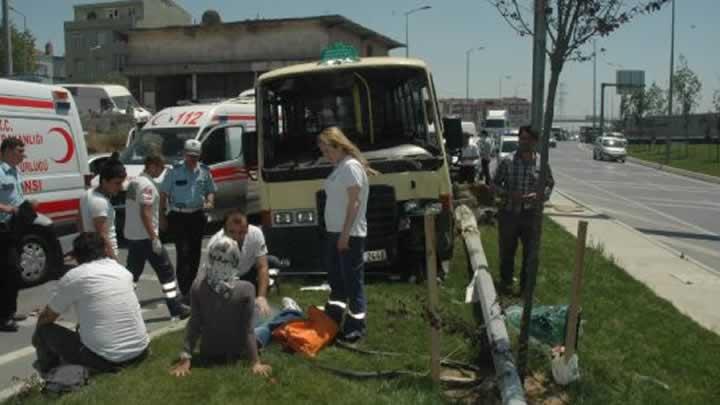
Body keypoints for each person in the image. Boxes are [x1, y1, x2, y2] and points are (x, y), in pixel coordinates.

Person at [32, 233, 149, 375]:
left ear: (76, 257)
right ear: (105, 250)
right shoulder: (122, 271)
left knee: (44, 330)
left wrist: (37, 338)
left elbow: (47, 317)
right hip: (141, 351)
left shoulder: (74, 277)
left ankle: (50, 372)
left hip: (107, 359)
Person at [169, 233, 271, 378]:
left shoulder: (199, 285)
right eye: (217, 259)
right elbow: (247, 330)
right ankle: (289, 312)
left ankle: (284, 313)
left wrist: (186, 357)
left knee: (262, 318)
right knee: (268, 323)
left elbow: (195, 324)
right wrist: (255, 362)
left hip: (219, 350)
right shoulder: (245, 288)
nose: (219, 264)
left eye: (223, 260)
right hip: (237, 349)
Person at [317, 126, 374, 343]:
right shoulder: (340, 167)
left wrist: (345, 234)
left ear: (338, 146)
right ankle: (333, 317)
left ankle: (356, 326)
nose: (325, 155)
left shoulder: (350, 167)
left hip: (348, 234)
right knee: (337, 279)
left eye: (327, 150)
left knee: (352, 281)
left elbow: (355, 202)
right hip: (335, 232)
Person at [124, 154, 190, 319]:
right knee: (166, 273)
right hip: (146, 238)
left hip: (133, 237)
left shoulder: (134, 182)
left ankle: (123, 305)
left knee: (132, 275)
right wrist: (154, 238)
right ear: (152, 166)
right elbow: (145, 213)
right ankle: (176, 307)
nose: (161, 172)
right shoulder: (147, 186)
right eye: (160, 168)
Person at [492, 125, 555, 295]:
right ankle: (506, 284)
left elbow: (549, 183)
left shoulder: (541, 162)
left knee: (531, 253)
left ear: (535, 141)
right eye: (522, 138)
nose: (524, 142)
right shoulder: (508, 161)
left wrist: (541, 195)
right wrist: (510, 194)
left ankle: (526, 288)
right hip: (510, 213)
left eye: (528, 139)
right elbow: (494, 184)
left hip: (531, 215)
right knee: (507, 251)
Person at [160, 139, 217, 299]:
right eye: (189, 156)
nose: (192, 159)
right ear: (184, 154)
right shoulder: (174, 171)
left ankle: (191, 286)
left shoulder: (205, 171)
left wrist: (210, 200)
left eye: (195, 156)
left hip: (197, 215)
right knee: (183, 253)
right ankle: (185, 291)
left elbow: (210, 190)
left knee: (195, 254)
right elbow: (163, 194)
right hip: (178, 216)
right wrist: (162, 217)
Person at [205, 209, 272, 318]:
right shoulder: (215, 244)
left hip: (248, 273)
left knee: (272, 262)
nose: (236, 237)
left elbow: (262, 266)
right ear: (224, 230)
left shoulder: (256, 233)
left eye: (241, 232)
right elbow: (214, 279)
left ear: (247, 229)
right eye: (231, 232)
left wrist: (262, 297)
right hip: (225, 279)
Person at [0, 138, 30, 332]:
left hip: (15, 227)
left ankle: (9, 311)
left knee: (13, 272)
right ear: (9, 151)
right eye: (20, 151)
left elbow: (18, 197)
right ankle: (4, 318)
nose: (23, 154)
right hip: (2, 228)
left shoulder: (16, 171)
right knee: (9, 273)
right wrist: (8, 209)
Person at [80, 157, 126, 260]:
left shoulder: (86, 194)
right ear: (104, 181)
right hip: (105, 257)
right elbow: (103, 236)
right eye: (117, 183)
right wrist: (115, 261)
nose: (121, 187)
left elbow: (78, 221)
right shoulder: (100, 203)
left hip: (94, 255)